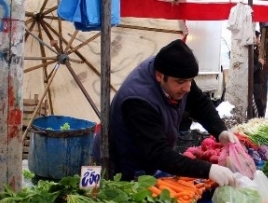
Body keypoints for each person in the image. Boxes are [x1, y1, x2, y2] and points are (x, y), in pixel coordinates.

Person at [96, 39, 238, 186]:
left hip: (148, 160)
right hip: (120, 166)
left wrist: (220, 131)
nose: (187, 88)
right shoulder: (138, 100)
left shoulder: (175, 72)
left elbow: (199, 103)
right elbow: (158, 154)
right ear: (159, 76)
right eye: (181, 82)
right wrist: (207, 170)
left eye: (190, 80)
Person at [253, 31, 266, 117]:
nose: (259, 41)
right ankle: (259, 121)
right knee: (258, 107)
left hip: (257, 84)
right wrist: (260, 63)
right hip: (254, 84)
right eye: (258, 38)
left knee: (259, 105)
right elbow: (252, 69)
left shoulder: (254, 51)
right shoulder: (250, 52)